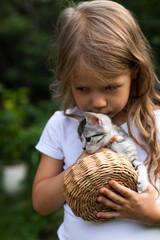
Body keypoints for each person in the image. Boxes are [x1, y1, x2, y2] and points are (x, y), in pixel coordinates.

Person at [32, 1, 160, 239]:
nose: (98, 102)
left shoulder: (156, 124)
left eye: (110, 87)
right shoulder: (62, 124)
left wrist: (153, 214)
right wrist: (78, 168)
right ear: (67, 78)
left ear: (135, 70)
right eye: (82, 88)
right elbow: (41, 202)